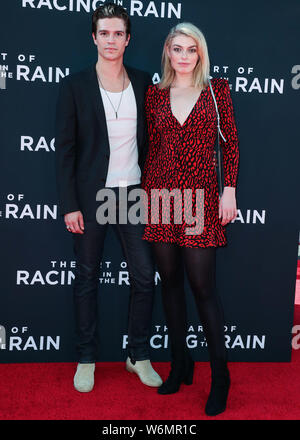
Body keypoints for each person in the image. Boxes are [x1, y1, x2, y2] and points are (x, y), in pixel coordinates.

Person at [55, 2, 162, 392]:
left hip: (132, 194)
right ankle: (86, 358)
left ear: (128, 39)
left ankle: (137, 354)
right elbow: (65, 150)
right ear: (94, 37)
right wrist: (70, 204)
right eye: (104, 33)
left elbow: (158, 141)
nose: (111, 40)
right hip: (90, 195)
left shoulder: (145, 81)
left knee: (144, 278)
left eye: (118, 33)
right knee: (86, 278)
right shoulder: (75, 86)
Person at [141, 22, 239, 416]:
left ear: (200, 54)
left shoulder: (217, 93)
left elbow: (230, 144)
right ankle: (181, 363)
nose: (183, 56)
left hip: (199, 200)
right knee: (170, 287)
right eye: (177, 48)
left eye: (191, 49)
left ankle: (221, 377)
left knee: (203, 291)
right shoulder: (154, 95)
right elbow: (149, 147)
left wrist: (228, 190)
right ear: (167, 52)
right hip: (160, 197)